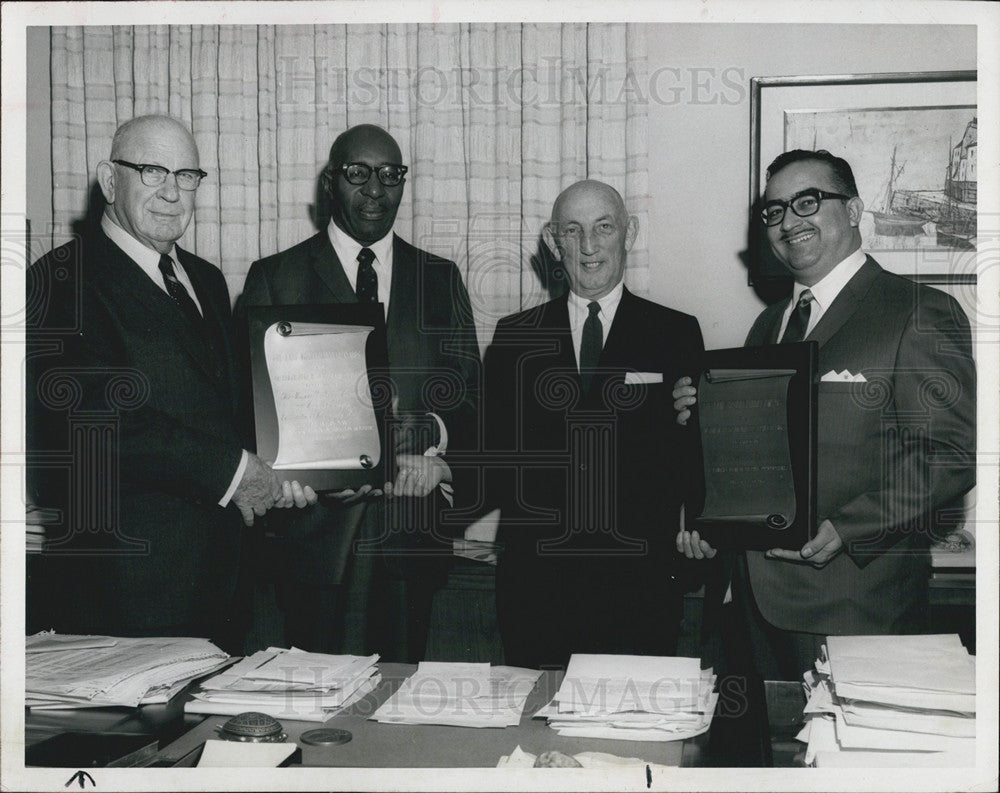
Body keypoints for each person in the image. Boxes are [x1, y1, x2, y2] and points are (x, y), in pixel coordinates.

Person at [673, 149, 976, 680]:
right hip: (744, 604)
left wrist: (848, 528)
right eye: (774, 211)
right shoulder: (767, 326)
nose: (788, 221)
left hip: (854, 607)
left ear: (855, 210)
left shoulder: (917, 312)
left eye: (807, 202)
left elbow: (950, 455)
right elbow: (761, 456)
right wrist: (701, 424)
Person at [26, 115, 315, 653]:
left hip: (225, 589)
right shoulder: (58, 280)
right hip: (123, 598)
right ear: (110, 181)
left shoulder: (205, 278)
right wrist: (238, 472)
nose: (171, 191)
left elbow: (224, 409)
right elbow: (98, 422)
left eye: (186, 175)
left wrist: (300, 463)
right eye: (153, 170)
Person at [241, 124, 480, 660]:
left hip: (410, 542)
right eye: (358, 173)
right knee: (316, 715)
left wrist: (427, 436)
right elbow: (249, 412)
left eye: (390, 175)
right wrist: (302, 473)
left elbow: (471, 402)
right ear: (330, 182)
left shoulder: (440, 280)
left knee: (397, 723)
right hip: (311, 544)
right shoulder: (275, 277)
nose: (375, 188)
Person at [483, 180, 705, 669]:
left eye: (604, 227)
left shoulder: (675, 332)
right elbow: (491, 455)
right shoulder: (514, 337)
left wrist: (703, 523)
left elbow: (696, 451)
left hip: (640, 587)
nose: (589, 245)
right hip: (535, 589)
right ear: (551, 240)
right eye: (573, 230)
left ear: (629, 233)